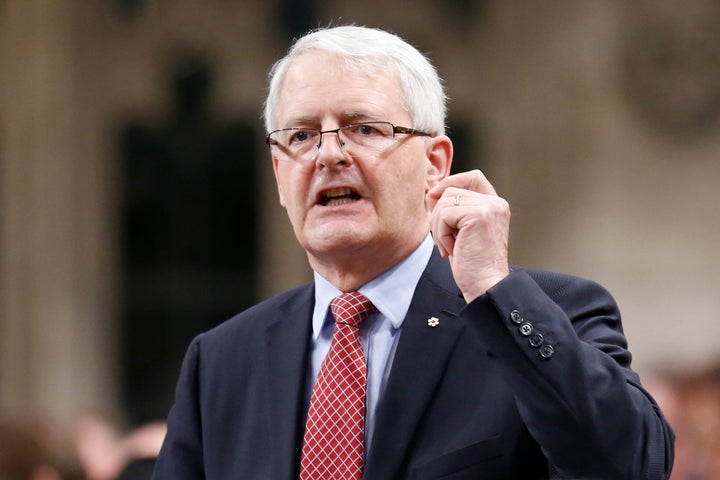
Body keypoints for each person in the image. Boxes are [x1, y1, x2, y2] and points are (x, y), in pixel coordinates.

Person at [152, 25, 675, 479]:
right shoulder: (221, 360)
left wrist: (494, 287)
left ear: (434, 163)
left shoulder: (548, 312)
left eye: (363, 128)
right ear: (278, 174)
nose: (329, 154)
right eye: (302, 134)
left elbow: (627, 465)